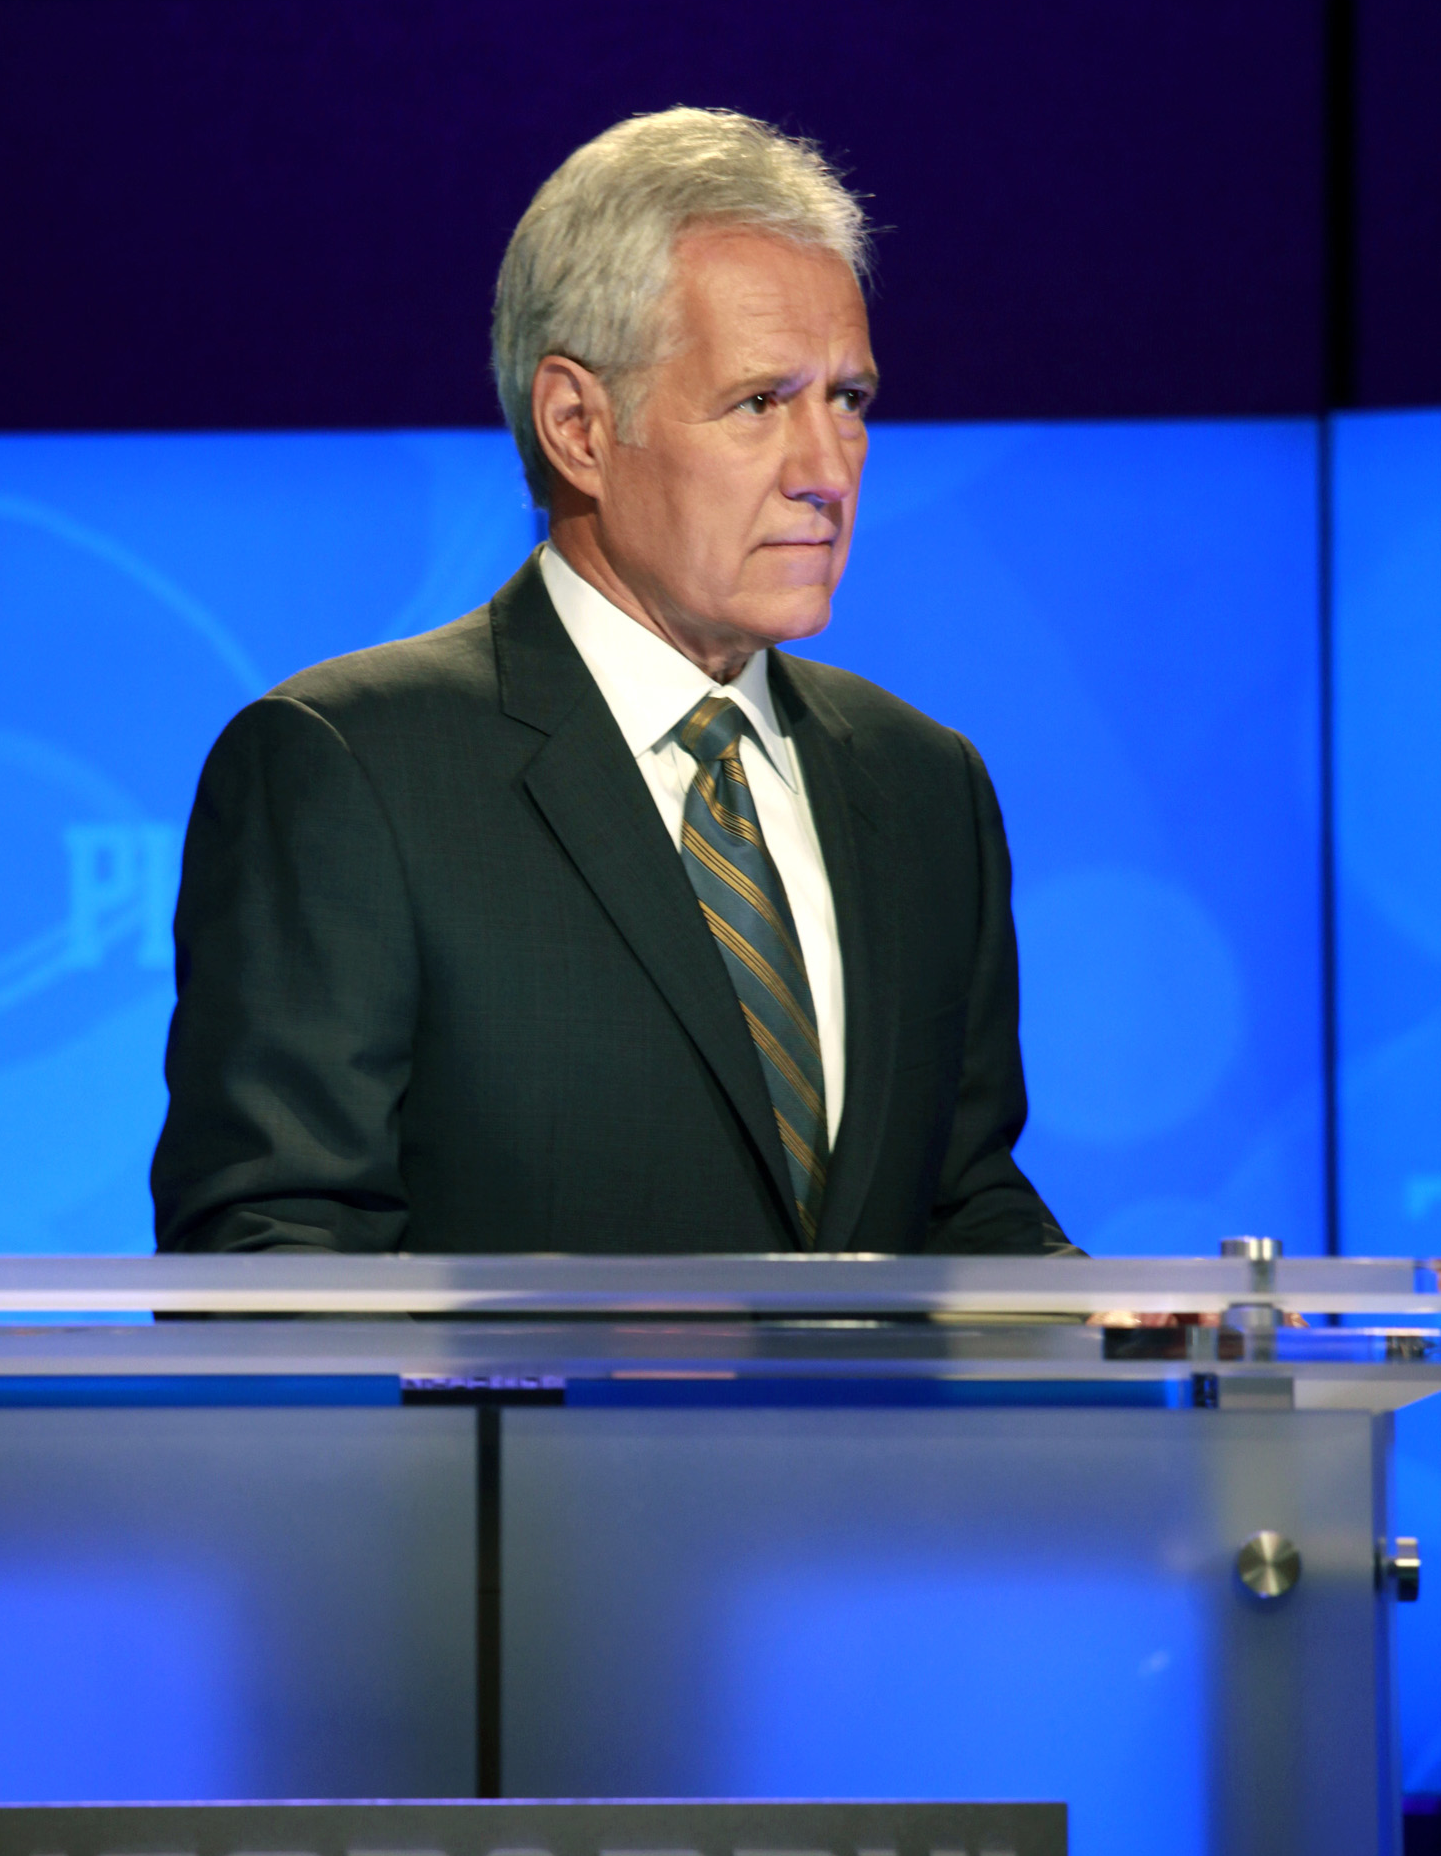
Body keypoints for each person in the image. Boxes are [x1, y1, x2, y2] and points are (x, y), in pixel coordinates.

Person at [151, 108, 1070, 1258]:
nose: (826, 471)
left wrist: (1145, 1346)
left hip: (863, 1446)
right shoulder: (348, 767)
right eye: (759, 403)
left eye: (846, 399)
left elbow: (960, 1202)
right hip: (509, 1444)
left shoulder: (924, 783)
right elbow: (274, 1246)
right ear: (578, 427)